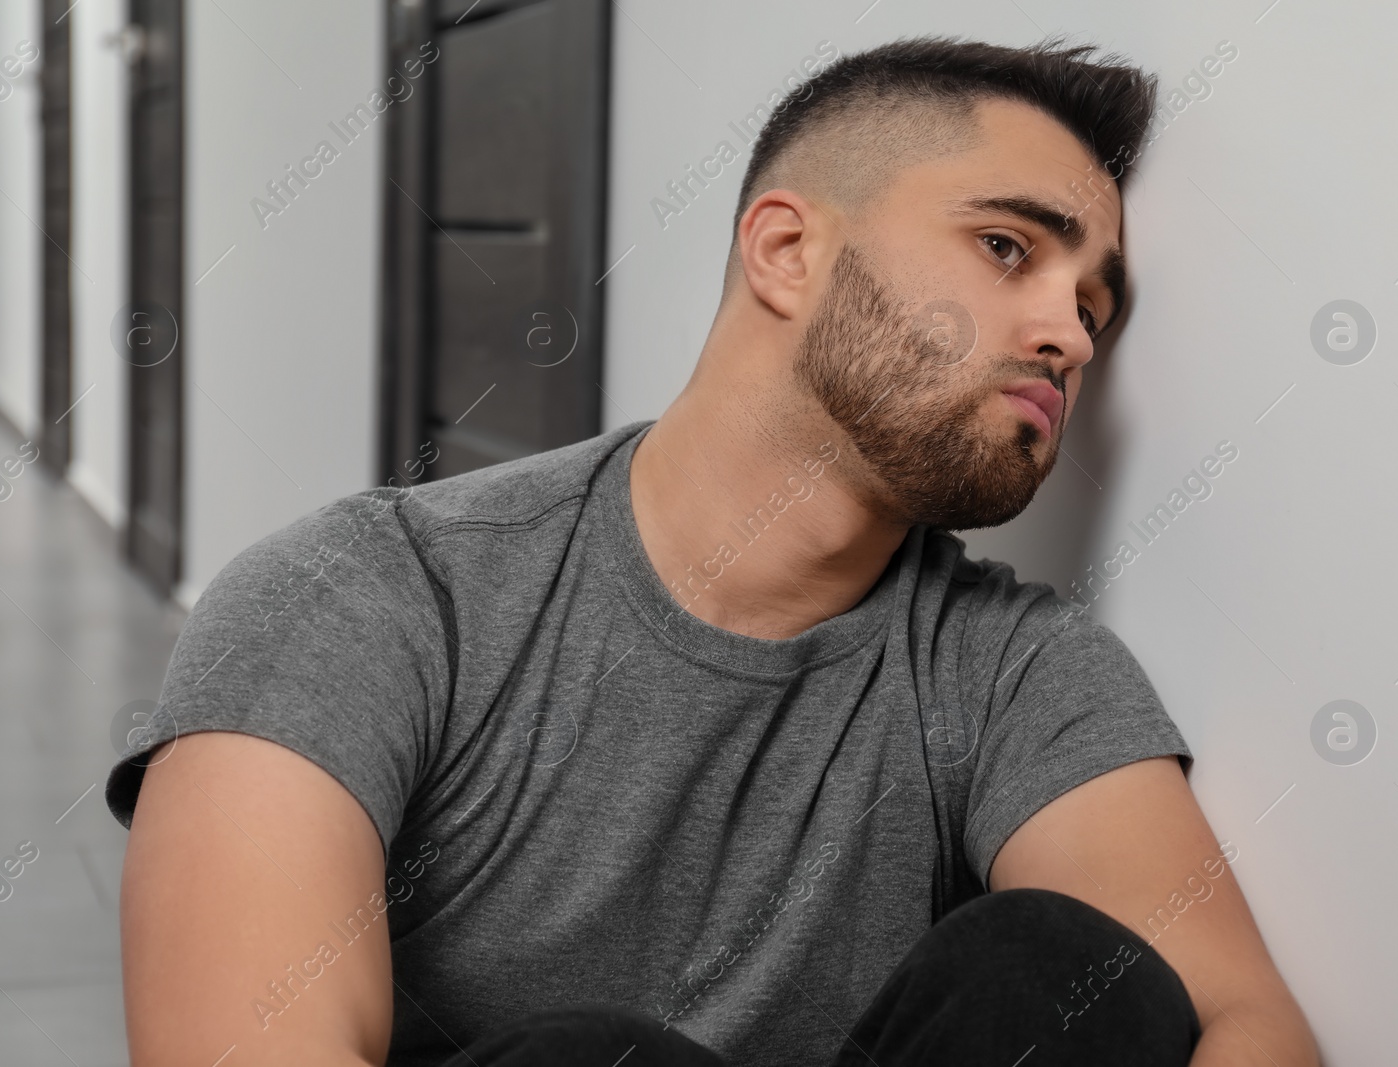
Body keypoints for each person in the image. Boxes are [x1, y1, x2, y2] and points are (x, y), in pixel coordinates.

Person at [107, 35, 1318, 1067]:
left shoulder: (1016, 669)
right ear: (786, 251)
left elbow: (1244, 1018)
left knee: (1057, 968)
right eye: (1008, 247)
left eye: (1094, 306)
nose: (1067, 334)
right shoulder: (363, 597)